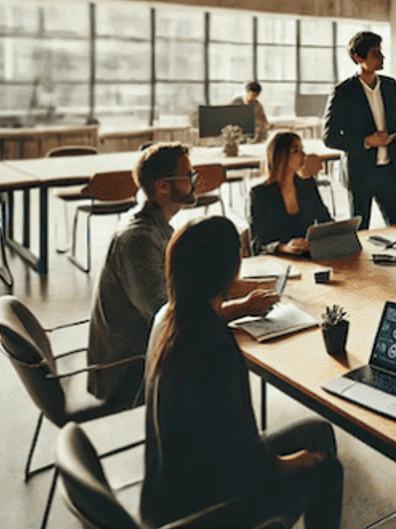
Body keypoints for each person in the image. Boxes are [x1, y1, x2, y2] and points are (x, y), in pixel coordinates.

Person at [140, 216, 343, 529]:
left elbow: (230, 437)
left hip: (165, 492)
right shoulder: (213, 346)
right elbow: (249, 462)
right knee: (327, 469)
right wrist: (295, 462)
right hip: (208, 506)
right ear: (231, 271)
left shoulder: (167, 317)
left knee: (317, 430)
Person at [87, 143, 278, 404]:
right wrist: (244, 307)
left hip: (147, 351)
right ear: (163, 187)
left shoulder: (156, 226)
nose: (195, 181)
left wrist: (273, 285)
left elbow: (195, 286)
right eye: (189, 176)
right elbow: (172, 316)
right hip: (129, 372)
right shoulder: (138, 240)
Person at [324, 31, 396, 229]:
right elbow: (329, 137)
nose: (382, 58)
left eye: (381, 52)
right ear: (358, 58)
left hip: (390, 170)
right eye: (375, 54)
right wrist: (367, 141)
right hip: (361, 173)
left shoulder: (390, 85)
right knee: (361, 233)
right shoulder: (343, 91)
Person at [249, 130, 333, 255]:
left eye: (302, 149)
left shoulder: (307, 184)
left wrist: (340, 232)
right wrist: (285, 247)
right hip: (278, 261)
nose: (304, 155)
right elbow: (257, 244)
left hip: (308, 257)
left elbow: (325, 220)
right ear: (280, 156)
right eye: (296, 150)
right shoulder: (260, 193)